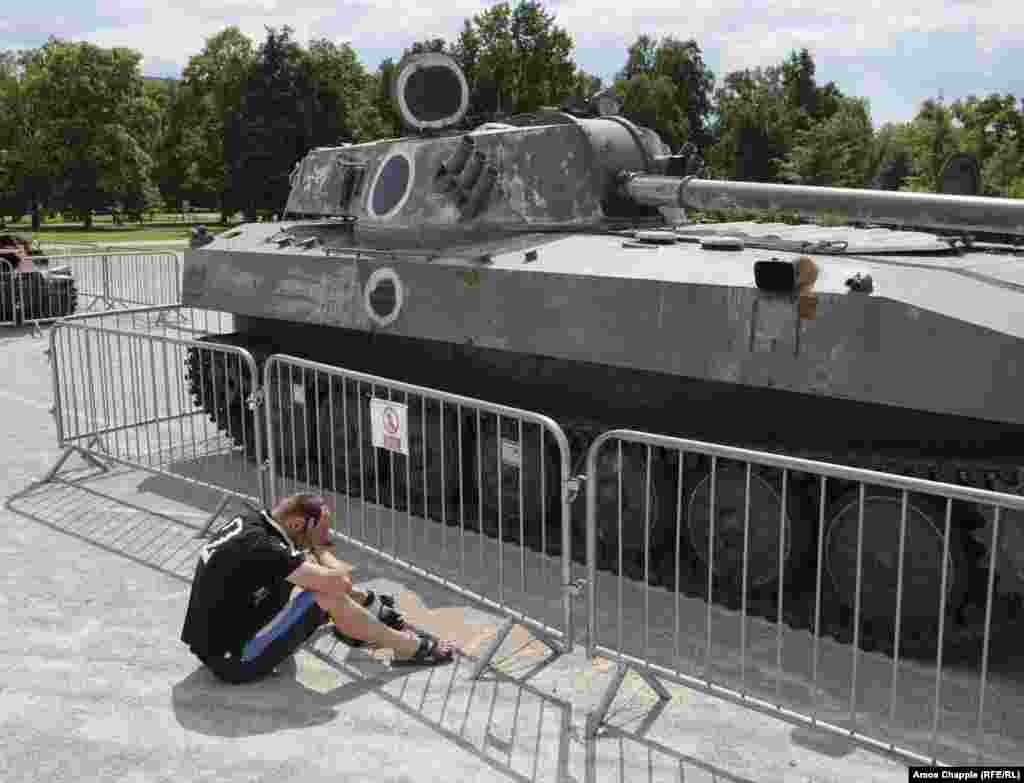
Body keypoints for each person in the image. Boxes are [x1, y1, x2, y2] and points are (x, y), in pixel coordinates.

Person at [181, 493, 460, 684]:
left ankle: (372, 617)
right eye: (319, 531)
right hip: (234, 660)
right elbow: (339, 583)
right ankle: (410, 648)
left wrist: (313, 546)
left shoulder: (252, 522)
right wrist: (320, 548)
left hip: (216, 643)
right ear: (297, 523)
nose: (326, 538)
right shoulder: (266, 548)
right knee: (323, 595)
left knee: (314, 580)